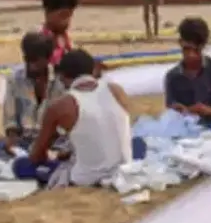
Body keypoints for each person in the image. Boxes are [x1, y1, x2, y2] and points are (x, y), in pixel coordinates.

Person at [20, 48, 136, 188]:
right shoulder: (116, 90)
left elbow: (36, 156)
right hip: (125, 168)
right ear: (93, 70)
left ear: (62, 76)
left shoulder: (62, 105)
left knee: (20, 166)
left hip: (86, 177)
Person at [163, 16, 211, 130]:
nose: (191, 55)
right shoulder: (172, 77)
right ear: (180, 43)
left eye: (196, 50)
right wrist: (179, 111)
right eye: (186, 49)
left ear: (204, 46)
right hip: (186, 132)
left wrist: (206, 111)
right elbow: (171, 113)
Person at [1, 32, 65, 152]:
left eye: (35, 61)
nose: (31, 66)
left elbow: (63, 124)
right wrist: (12, 140)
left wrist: (42, 145)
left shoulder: (60, 82)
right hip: (23, 141)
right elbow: (10, 118)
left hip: (54, 142)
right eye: (27, 59)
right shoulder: (14, 78)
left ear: (48, 58)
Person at [39, 0, 78, 68]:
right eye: (63, 15)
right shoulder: (40, 40)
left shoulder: (63, 37)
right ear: (48, 12)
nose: (67, 21)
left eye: (69, 16)